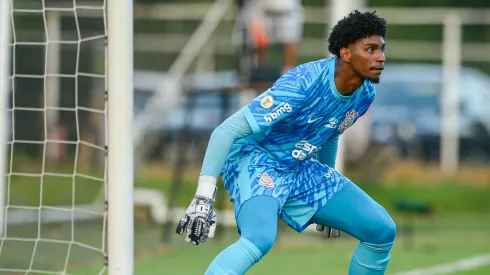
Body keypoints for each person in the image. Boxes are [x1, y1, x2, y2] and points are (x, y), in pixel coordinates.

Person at [176, 10, 396, 275]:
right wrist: (203, 196)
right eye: (370, 49)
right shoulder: (303, 84)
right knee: (260, 238)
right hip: (257, 159)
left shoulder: (364, 93)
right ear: (346, 53)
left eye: (381, 49)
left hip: (299, 166)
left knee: (381, 230)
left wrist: (328, 186)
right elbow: (225, 131)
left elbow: (330, 132)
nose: (380, 57)